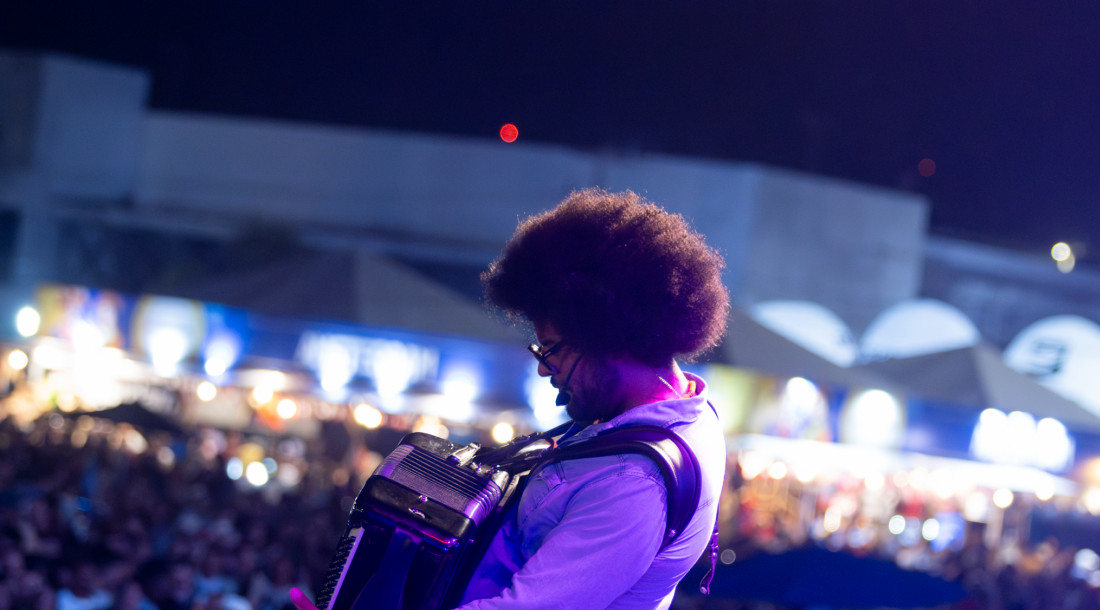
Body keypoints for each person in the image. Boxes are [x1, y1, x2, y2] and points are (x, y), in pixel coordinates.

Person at [291, 188, 730, 609]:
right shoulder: (682, 414)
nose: (544, 368)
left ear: (609, 337)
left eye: (552, 349)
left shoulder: (634, 485)